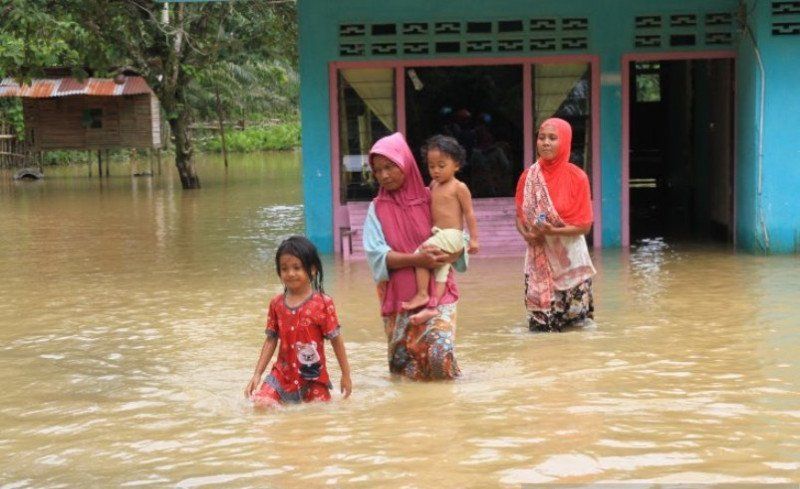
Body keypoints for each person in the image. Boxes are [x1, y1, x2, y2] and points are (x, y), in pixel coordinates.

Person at [362, 132, 466, 380]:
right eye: (378, 170)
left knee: (440, 355)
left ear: (405, 163)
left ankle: (448, 414)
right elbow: (377, 256)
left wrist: (453, 251)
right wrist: (416, 260)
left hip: (438, 294)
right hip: (399, 300)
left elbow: (457, 234)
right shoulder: (376, 208)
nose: (384, 175)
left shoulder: (432, 197)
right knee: (406, 370)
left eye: (390, 167)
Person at [244, 236, 352, 406]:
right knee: (261, 405)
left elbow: (336, 340)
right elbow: (271, 340)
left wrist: (346, 375)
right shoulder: (276, 304)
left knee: (318, 413)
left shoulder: (323, 303)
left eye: (297, 267)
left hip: (313, 377)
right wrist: (257, 374)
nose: (290, 273)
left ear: (313, 269)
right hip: (281, 375)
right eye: (284, 268)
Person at [514, 118, 596, 332]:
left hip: (571, 262)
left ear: (565, 142)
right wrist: (526, 235)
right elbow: (520, 217)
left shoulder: (578, 177)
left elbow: (584, 226)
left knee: (577, 328)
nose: (545, 143)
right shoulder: (529, 176)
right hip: (539, 259)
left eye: (552, 138)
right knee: (540, 327)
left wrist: (554, 231)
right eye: (541, 137)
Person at [400, 135, 479, 326]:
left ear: (456, 165)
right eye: (431, 166)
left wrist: (474, 240)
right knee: (441, 272)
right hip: (440, 235)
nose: (435, 170)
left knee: (421, 254)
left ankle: (421, 294)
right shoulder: (433, 185)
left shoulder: (459, 187)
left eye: (441, 165)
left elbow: (469, 214)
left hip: (452, 235)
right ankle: (432, 306)